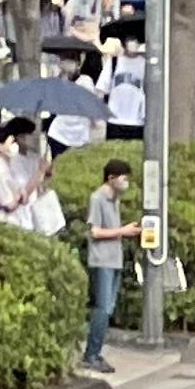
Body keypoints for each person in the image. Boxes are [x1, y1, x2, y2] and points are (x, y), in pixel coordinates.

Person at [79, 156, 134, 370]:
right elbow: (95, 231)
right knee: (101, 308)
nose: (125, 182)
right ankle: (91, 354)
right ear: (111, 178)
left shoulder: (115, 199)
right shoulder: (98, 198)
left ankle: (96, 352)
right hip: (101, 260)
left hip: (114, 259)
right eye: (122, 178)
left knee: (108, 308)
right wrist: (123, 231)